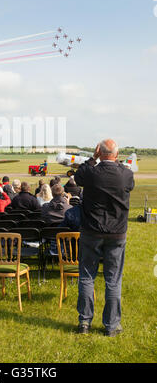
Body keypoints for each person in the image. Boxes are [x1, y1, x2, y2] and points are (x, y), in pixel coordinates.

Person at [74, 139, 134, 337]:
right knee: (113, 279)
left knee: (87, 276)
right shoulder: (125, 173)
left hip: (91, 231)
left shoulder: (91, 172)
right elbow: (129, 185)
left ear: (100, 152)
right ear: (116, 154)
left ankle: (84, 322)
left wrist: (93, 158)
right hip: (116, 233)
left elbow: (78, 176)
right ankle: (111, 325)